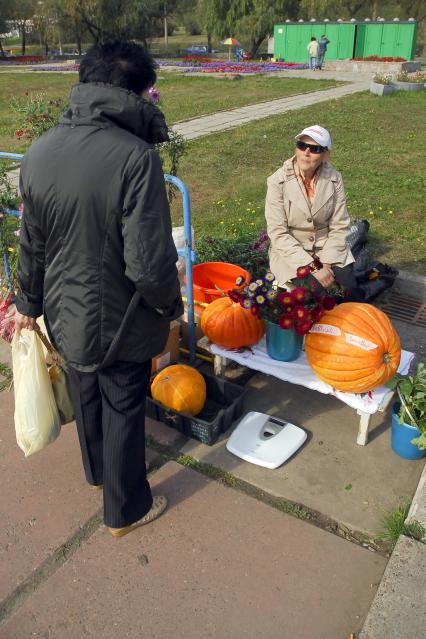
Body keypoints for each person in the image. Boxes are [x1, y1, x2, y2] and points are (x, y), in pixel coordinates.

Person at [11, 40, 183, 537]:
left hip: (66, 312)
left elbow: (31, 243)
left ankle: (97, 475)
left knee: (87, 387)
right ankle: (125, 509)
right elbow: (149, 261)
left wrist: (28, 302)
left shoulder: (39, 151)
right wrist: (169, 306)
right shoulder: (136, 158)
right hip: (122, 316)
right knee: (123, 404)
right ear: (133, 91)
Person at [265, 125, 361, 298]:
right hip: (292, 252)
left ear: (325, 154)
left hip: (327, 248)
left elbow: (340, 225)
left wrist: (326, 262)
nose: (306, 152)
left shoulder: (334, 179)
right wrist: (314, 267)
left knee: (349, 291)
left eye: (315, 149)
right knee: (315, 294)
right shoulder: (277, 181)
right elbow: (278, 233)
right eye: (302, 145)